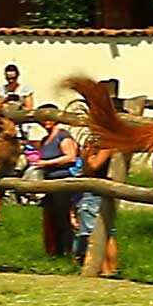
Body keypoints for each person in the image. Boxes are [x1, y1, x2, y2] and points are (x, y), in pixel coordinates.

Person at [35, 106, 77, 256]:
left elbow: (70, 156)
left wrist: (46, 163)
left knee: (63, 216)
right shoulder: (45, 139)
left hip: (62, 180)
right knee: (52, 218)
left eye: (49, 118)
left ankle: (68, 251)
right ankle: (55, 252)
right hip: (49, 181)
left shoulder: (63, 136)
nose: (46, 122)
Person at [73, 138, 119, 275]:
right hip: (96, 191)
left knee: (96, 232)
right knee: (106, 231)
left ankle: (105, 268)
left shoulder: (106, 145)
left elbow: (93, 167)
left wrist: (86, 154)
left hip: (97, 191)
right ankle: (110, 269)